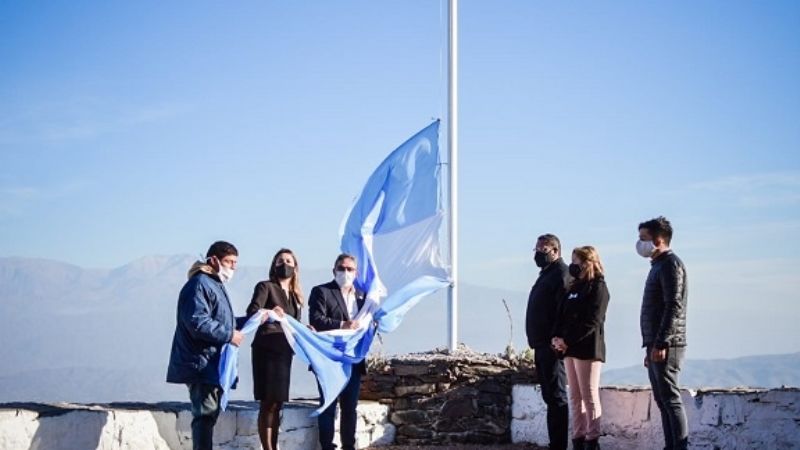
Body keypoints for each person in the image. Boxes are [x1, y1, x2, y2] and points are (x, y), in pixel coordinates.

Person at [167, 241, 252, 450]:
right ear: (213, 260)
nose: (233, 267)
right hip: (201, 363)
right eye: (229, 262)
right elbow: (197, 322)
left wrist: (254, 318)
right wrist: (228, 335)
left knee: (209, 416)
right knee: (204, 417)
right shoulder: (199, 285)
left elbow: (224, 321)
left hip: (212, 364)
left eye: (235, 263)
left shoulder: (215, 285)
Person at [552, 246, 610, 450]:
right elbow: (562, 315)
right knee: (575, 396)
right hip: (569, 350)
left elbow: (592, 320)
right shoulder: (573, 288)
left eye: (576, 262)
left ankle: (592, 440)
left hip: (587, 348)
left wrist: (569, 340)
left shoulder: (598, 288)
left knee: (589, 395)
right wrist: (558, 338)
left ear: (587, 262)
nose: (573, 266)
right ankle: (578, 437)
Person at [637, 216, 689, 450]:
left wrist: (661, 343)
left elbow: (673, 305)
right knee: (662, 400)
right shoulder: (658, 266)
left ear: (658, 240)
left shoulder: (670, 265)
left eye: (643, 239)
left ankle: (679, 446)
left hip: (667, 344)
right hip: (656, 343)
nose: (639, 244)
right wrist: (651, 345)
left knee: (670, 399)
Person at [246, 248, 304, 450]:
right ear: (273, 265)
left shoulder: (296, 297)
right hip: (267, 348)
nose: (284, 264)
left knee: (278, 402)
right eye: (280, 261)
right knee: (268, 401)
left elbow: (295, 324)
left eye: (288, 260)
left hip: (284, 351)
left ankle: (274, 445)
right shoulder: (266, 287)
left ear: (295, 267)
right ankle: (268, 448)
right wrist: (270, 312)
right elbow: (253, 311)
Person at [309, 253, 367, 450]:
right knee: (328, 406)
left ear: (356, 272)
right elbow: (316, 319)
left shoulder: (364, 297)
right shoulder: (322, 291)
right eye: (341, 268)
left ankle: (348, 445)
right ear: (334, 270)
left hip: (353, 360)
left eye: (350, 269)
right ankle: (327, 446)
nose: (345, 272)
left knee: (350, 408)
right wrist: (344, 324)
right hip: (329, 360)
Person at [525, 233, 571, 450]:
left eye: (542, 251)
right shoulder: (547, 273)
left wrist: (557, 337)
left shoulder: (561, 274)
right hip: (540, 344)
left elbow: (564, 310)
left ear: (555, 251)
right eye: (536, 250)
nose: (538, 254)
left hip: (551, 346)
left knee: (556, 397)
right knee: (549, 397)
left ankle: (559, 445)